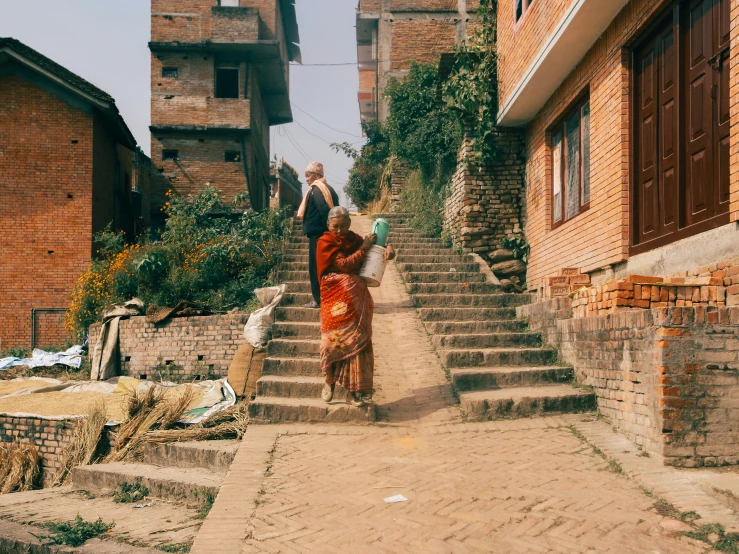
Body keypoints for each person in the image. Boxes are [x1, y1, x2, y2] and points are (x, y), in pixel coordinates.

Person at [316, 207, 395, 407]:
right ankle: (329, 381)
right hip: (333, 301)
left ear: (349, 224)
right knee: (332, 342)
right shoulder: (324, 242)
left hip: (356, 302)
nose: (340, 231)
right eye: (335, 227)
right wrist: (363, 248)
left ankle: (353, 392)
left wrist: (388, 248)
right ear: (328, 225)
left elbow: (376, 244)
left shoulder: (353, 238)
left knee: (357, 343)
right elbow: (344, 265)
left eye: (343, 226)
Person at [296, 161, 340, 309]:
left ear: (317, 175)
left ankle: (317, 299)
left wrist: (328, 230)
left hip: (318, 235)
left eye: (308, 175)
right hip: (324, 233)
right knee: (325, 266)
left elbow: (324, 210)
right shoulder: (329, 189)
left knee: (315, 267)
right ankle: (327, 297)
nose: (307, 179)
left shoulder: (317, 189)